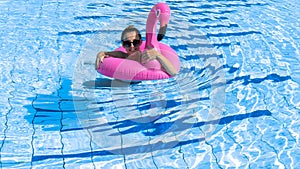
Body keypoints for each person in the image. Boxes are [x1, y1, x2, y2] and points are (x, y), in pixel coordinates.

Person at [95, 25, 178, 76]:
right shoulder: (125, 56)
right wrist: (103, 53)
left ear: (141, 42)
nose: (132, 46)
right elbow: (120, 54)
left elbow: (173, 72)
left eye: (135, 42)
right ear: (123, 45)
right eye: (127, 43)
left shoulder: (146, 58)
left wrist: (158, 55)